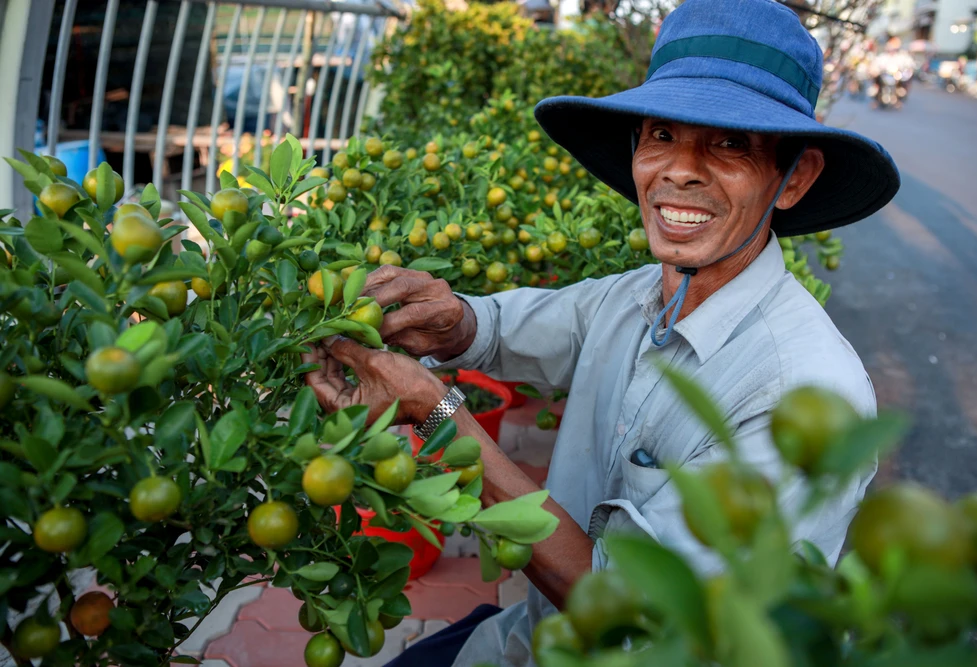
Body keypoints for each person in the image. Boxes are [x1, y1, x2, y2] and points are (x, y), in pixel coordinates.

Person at [301, 0, 900, 664]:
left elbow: (638, 614)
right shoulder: (638, 296)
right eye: (661, 134)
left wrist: (438, 412)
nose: (680, 170)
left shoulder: (805, 396)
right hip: (530, 639)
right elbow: (504, 328)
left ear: (796, 178)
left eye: (731, 144)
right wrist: (448, 319)